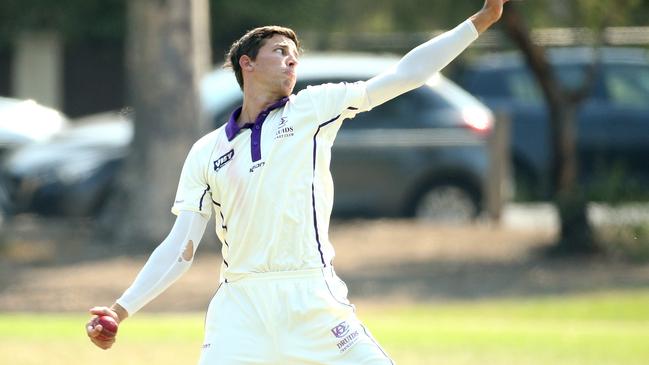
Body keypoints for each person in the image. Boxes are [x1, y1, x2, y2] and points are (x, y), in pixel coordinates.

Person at [86, 1, 509, 363]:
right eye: (280, 51)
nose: (292, 60)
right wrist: (120, 310)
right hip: (240, 308)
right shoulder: (207, 151)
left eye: (295, 55)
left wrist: (480, 20)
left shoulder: (311, 109)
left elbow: (404, 75)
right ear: (246, 64)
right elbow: (180, 248)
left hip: (310, 298)